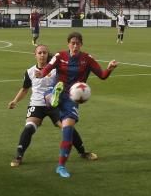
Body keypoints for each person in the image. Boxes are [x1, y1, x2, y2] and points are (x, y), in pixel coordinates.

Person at [37, 32, 118, 178]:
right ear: (68, 44)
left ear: (81, 44)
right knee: (50, 95)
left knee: (68, 132)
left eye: (77, 43)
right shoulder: (59, 56)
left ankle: (61, 166)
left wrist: (110, 68)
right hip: (58, 89)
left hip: (72, 99)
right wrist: (41, 74)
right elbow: (47, 68)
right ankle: (52, 97)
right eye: (72, 43)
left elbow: (102, 75)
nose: (75, 46)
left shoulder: (87, 59)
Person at [8, 44, 97, 167]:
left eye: (44, 52)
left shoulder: (56, 70)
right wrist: (15, 101)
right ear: (35, 55)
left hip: (55, 103)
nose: (42, 55)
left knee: (67, 128)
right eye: (39, 53)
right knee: (29, 127)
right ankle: (18, 156)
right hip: (37, 104)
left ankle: (83, 152)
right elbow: (24, 89)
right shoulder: (30, 72)